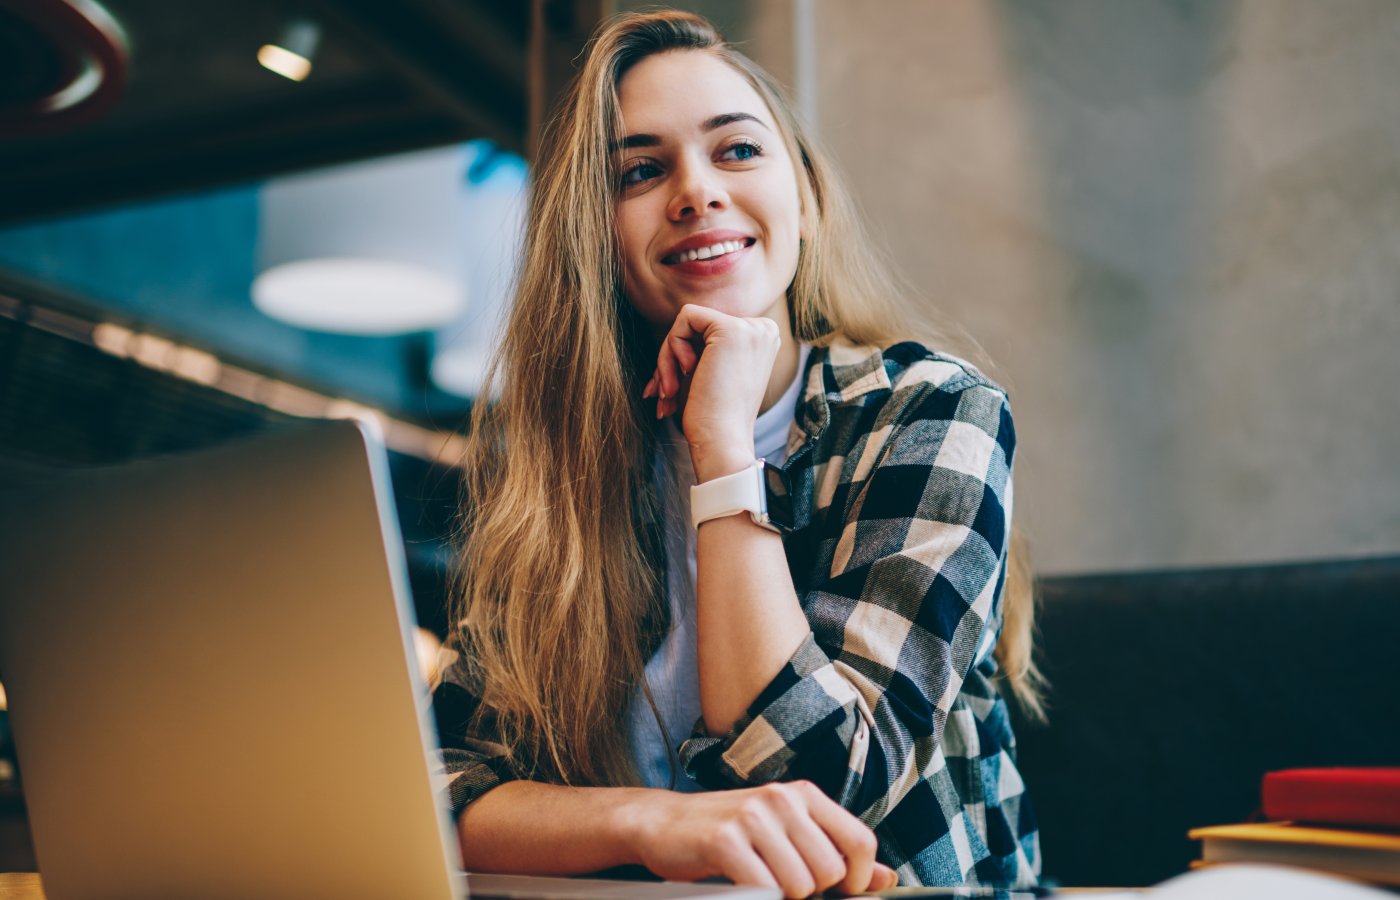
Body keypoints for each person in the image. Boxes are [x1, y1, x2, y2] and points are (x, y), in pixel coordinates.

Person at [432, 9, 1043, 896]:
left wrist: (722, 452)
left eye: (738, 151)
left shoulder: (933, 411)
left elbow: (828, 783)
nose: (696, 192)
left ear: (806, 193)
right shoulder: (556, 474)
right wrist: (650, 822)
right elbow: (442, 783)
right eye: (641, 171)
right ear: (594, 238)